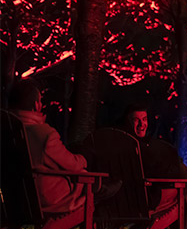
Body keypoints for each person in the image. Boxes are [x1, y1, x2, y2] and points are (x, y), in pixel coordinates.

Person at [7, 79, 120, 214]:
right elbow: (71, 165)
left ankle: (100, 187)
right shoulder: (43, 134)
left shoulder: (7, 132)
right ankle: (100, 190)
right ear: (36, 105)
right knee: (84, 175)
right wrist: (84, 159)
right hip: (47, 199)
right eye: (40, 101)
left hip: (15, 199)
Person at [121, 103, 187, 229]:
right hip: (145, 200)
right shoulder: (137, 147)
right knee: (182, 189)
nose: (142, 124)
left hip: (125, 200)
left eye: (144, 119)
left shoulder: (118, 143)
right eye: (136, 120)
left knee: (179, 182)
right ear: (128, 122)